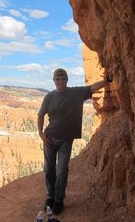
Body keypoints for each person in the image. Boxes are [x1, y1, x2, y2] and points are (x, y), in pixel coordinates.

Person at [37, 68, 113, 214]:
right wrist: (40, 133)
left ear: (67, 80)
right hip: (49, 139)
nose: (60, 81)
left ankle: (59, 200)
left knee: (62, 171)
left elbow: (92, 87)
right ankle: (50, 197)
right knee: (48, 170)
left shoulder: (75, 93)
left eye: (63, 78)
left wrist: (107, 81)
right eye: (57, 79)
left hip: (66, 140)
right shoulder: (49, 97)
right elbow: (40, 115)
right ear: (54, 81)